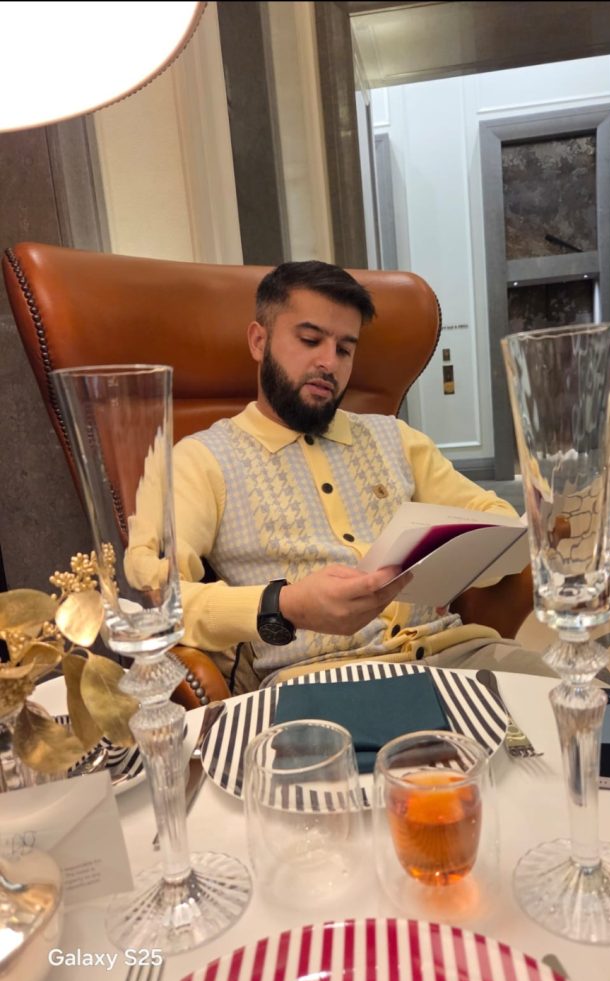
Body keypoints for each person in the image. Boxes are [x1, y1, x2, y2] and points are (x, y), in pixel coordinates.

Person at [173, 260, 554, 692]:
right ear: (259, 341)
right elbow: (158, 600)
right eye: (310, 340)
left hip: (458, 656)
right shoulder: (203, 460)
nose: (328, 362)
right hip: (318, 680)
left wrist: (459, 565)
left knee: (578, 714)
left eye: (345, 349)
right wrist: (284, 604)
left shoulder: (395, 438)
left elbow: (491, 516)